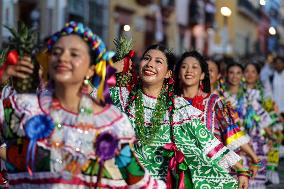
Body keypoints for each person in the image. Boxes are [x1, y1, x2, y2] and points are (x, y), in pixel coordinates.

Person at [0, 21, 165, 188]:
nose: (63, 58)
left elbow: (137, 180)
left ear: (91, 69)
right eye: (57, 52)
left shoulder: (112, 124)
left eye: (74, 54)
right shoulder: (23, 108)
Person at [108, 44, 250, 189]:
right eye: (146, 58)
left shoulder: (178, 106)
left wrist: (242, 170)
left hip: (162, 183)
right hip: (125, 179)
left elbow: (208, 142)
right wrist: (111, 68)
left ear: (169, 73)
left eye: (158, 61)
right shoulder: (121, 96)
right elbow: (87, 93)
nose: (150, 64)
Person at [175, 51, 260, 179]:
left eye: (194, 67)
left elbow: (231, 131)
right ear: (178, 74)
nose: (189, 70)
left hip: (212, 171)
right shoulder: (172, 102)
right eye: (184, 66)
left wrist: (254, 158)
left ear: (203, 75)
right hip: (179, 171)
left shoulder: (214, 101)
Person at [222, 62, 273, 189]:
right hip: (231, 144)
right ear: (226, 75)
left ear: (242, 75)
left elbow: (263, 117)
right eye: (231, 73)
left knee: (254, 182)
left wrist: (271, 135)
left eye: (238, 73)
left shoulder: (251, 95)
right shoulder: (222, 97)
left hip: (253, 145)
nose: (235, 76)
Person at [244, 62, 282, 185]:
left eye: (253, 71)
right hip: (242, 141)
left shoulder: (265, 95)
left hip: (260, 141)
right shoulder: (237, 93)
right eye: (247, 71)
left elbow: (274, 120)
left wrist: (272, 135)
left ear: (258, 75)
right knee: (242, 175)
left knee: (257, 176)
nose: (249, 74)